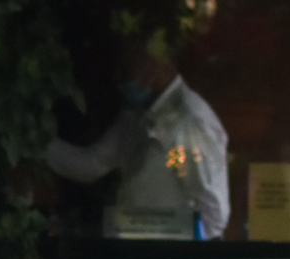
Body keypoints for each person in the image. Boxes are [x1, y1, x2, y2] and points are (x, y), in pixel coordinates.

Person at [45, 33, 231, 241]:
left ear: (155, 67)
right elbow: (92, 163)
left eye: (126, 71)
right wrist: (36, 145)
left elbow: (213, 213)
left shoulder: (189, 120)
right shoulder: (137, 116)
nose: (120, 80)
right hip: (136, 246)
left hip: (168, 258)